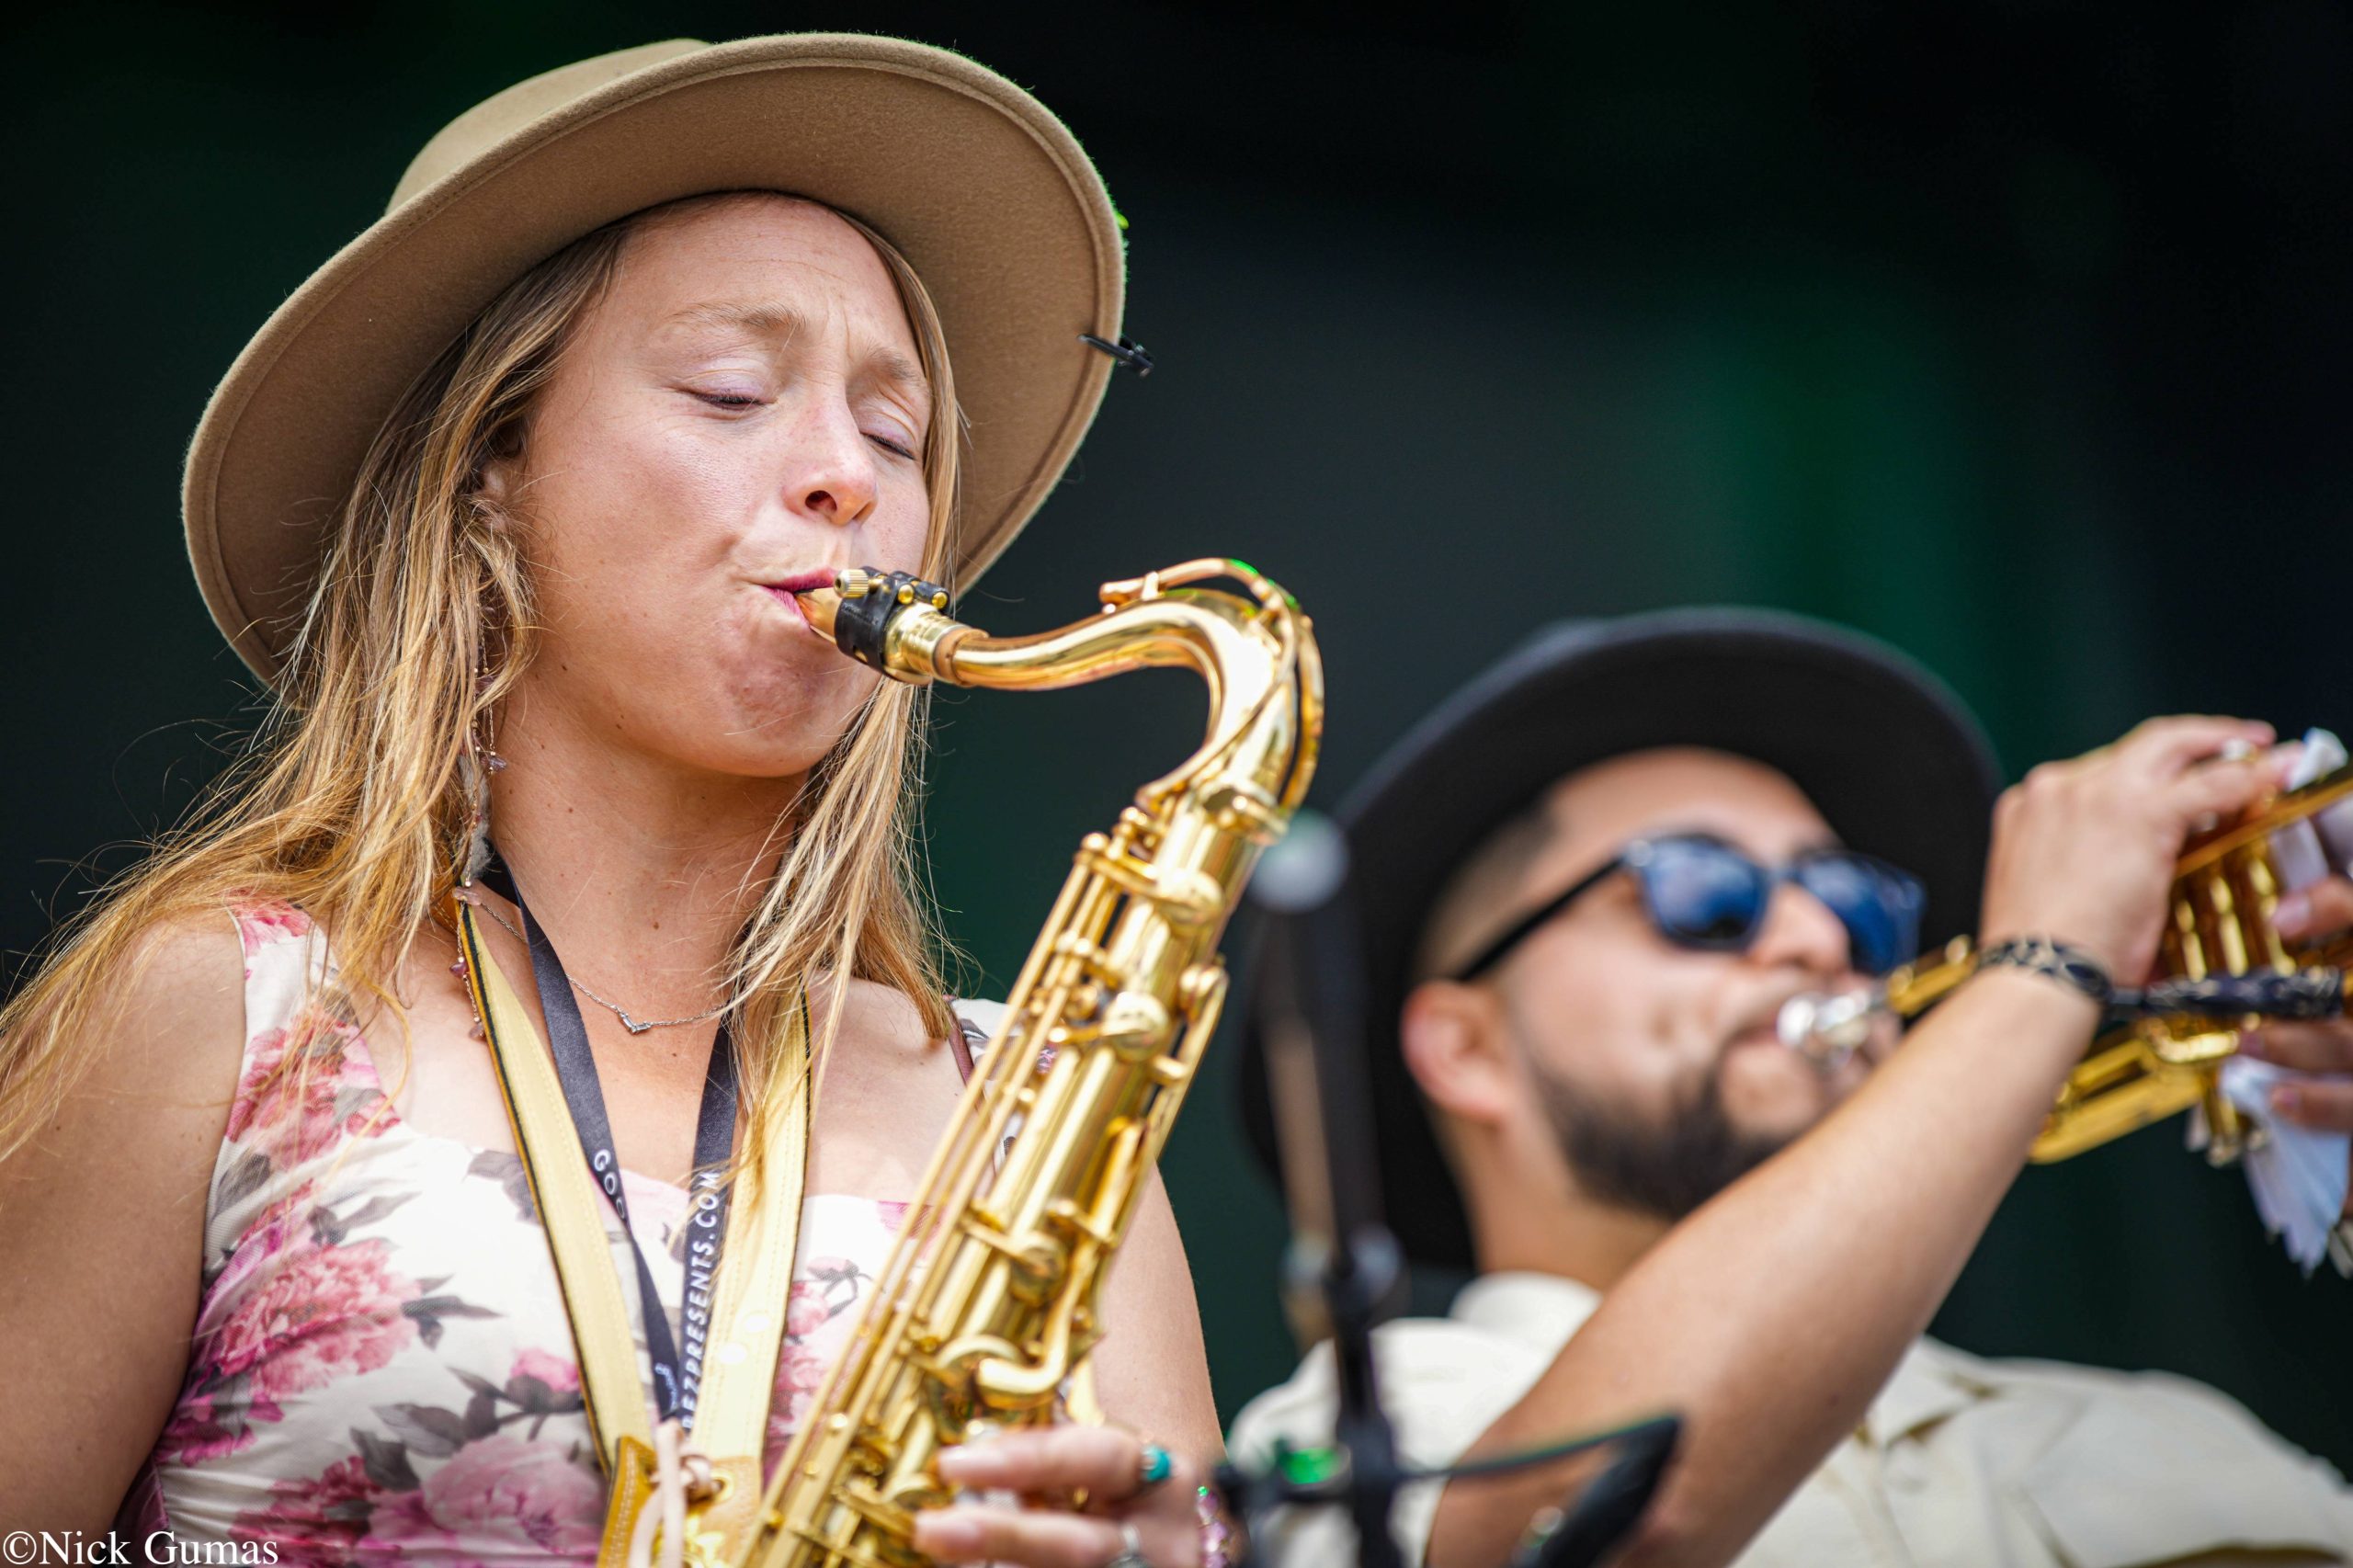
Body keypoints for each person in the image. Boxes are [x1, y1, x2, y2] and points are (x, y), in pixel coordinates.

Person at [0, 37, 1221, 1564]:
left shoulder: (1034, 1106)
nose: (849, 474)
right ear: (489, 473)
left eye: (898, 435)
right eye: (731, 389)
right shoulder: (223, 1005)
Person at [1230, 608, 2353, 1568]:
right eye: (1703, 892)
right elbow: (1607, 1522)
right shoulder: (1346, 1435)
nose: (1819, 937)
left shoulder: (2182, 1433)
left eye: (1856, 900)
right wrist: (2042, 967)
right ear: (1466, 1045)